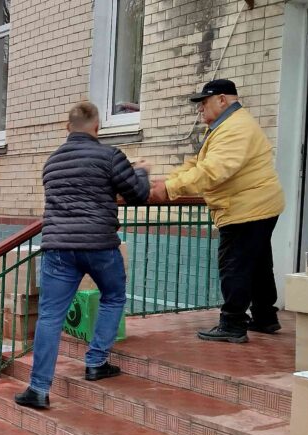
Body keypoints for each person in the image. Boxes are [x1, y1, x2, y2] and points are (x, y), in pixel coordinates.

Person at [15, 102, 151, 411]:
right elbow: (137, 194)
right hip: (99, 245)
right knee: (113, 296)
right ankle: (95, 362)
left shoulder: (51, 163)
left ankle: (38, 389)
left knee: (50, 316)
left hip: (58, 248)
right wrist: (141, 171)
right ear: (97, 128)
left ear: (67, 127)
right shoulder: (109, 156)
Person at [150, 79, 285, 343]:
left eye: (204, 103)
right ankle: (265, 317)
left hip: (245, 207)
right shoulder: (224, 127)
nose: (200, 109)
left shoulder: (235, 129)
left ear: (222, 99)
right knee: (257, 264)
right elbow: (198, 162)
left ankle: (233, 324)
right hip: (257, 205)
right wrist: (167, 183)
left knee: (234, 265)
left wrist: (170, 189)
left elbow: (213, 171)